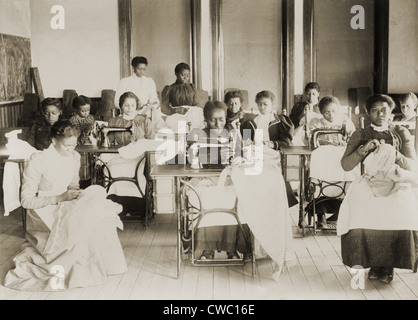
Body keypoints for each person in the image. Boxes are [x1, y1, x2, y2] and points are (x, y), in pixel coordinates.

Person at [3, 121, 127, 291]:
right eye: (67, 145)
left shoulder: (74, 158)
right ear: (54, 141)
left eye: (74, 144)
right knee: (82, 224)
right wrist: (59, 198)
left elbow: (72, 186)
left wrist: (77, 195)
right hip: (43, 210)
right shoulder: (38, 160)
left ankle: (102, 265)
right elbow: (26, 201)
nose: (71, 149)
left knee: (99, 210)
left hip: (65, 202)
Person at [337, 94, 418, 284]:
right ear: (368, 114)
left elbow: (412, 167)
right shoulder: (361, 134)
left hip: (396, 181)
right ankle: (373, 263)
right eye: (375, 110)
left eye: (384, 110)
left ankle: (388, 264)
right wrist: (362, 150)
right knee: (358, 209)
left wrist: (395, 154)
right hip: (370, 181)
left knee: (401, 208)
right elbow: (346, 165)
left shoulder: (401, 133)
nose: (380, 113)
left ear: (391, 113)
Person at [240, 90, 298, 208]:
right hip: (255, 153)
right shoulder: (249, 122)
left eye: (265, 104)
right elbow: (245, 143)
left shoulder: (281, 121)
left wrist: (270, 144)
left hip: (273, 154)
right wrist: (249, 143)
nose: (262, 107)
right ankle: (254, 203)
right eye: (259, 104)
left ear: (272, 104)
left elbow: (286, 143)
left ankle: (273, 202)